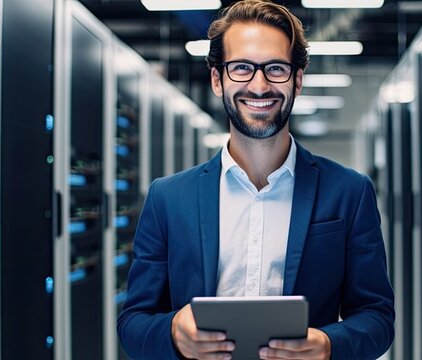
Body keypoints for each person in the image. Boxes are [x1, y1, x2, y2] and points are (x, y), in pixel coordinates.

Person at [117, 0, 395, 358]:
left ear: (297, 79)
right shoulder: (168, 198)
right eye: (242, 68)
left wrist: (328, 346)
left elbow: (377, 317)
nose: (260, 86)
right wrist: (172, 333)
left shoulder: (349, 192)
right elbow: (133, 322)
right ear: (218, 79)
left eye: (276, 69)